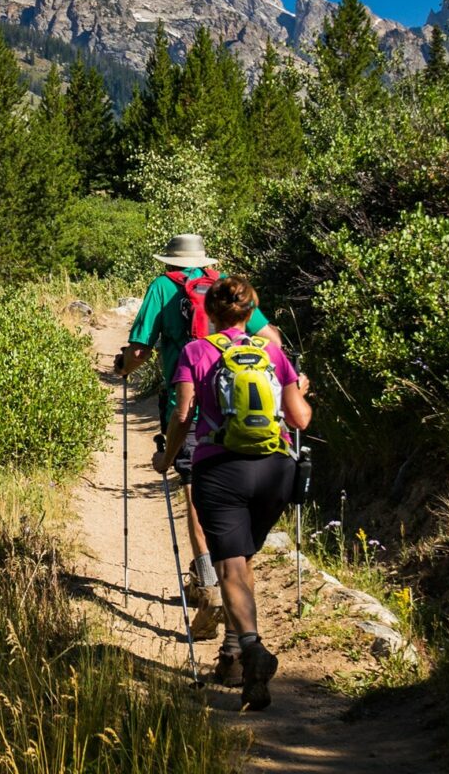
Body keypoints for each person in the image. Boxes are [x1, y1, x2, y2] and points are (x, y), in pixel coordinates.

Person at [114, 234, 281, 649]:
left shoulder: (162, 287)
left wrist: (122, 367)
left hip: (187, 404)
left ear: (169, 260)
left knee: (196, 494)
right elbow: (272, 339)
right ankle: (234, 598)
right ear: (203, 260)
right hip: (242, 414)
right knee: (236, 515)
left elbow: (138, 352)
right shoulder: (226, 286)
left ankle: (208, 585)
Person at [153, 275, 311, 710]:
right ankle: (236, 657)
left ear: (209, 313)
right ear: (250, 311)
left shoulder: (196, 351)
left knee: (231, 566)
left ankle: (250, 647)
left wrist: (166, 459)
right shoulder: (274, 353)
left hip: (221, 470)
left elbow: (183, 415)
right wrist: (302, 391)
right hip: (276, 469)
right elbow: (300, 420)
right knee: (243, 559)